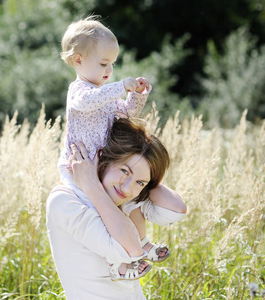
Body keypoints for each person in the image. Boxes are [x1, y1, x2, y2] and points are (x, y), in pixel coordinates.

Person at [57, 15, 154, 279]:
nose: (109, 70)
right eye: (103, 63)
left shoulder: (106, 95)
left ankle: (139, 244)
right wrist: (120, 86)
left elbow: (126, 113)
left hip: (100, 168)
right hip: (79, 169)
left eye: (112, 64)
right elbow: (88, 102)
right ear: (78, 60)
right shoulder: (78, 91)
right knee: (99, 216)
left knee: (121, 208)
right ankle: (117, 264)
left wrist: (136, 95)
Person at [46, 118, 187, 299]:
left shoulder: (121, 203)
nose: (127, 188)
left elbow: (176, 210)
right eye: (124, 171)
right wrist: (92, 185)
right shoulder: (64, 202)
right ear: (104, 158)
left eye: (139, 183)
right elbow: (131, 249)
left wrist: (145, 175)